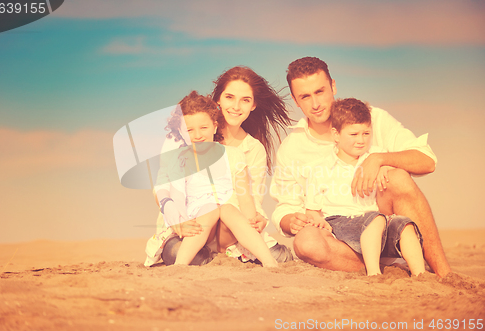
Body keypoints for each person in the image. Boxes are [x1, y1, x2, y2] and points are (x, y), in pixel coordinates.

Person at [270, 56, 451, 277]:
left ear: (333, 86)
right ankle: (388, 268)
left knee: (397, 177)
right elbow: (285, 206)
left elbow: (426, 160)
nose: (315, 104)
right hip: (338, 232)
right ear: (295, 100)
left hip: (381, 218)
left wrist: (378, 160)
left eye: (320, 92)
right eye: (305, 97)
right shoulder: (292, 147)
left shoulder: (370, 118)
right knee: (306, 243)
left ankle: (444, 274)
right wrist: (290, 221)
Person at [145, 66, 294, 266]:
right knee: (181, 252)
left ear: (253, 105)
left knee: (280, 255)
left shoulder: (250, 149)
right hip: (191, 222)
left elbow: (251, 197)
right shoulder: (184, 135)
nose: (236, 106)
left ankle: (243, 256)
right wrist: (174, 214)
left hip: (229, 229)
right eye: (230, 97)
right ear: (218, 100)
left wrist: (259, 219)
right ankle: (201, 256)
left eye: (245, 100)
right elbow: (164, 186)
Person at [305, 98, 425, 276]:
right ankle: (374, 273)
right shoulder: (321, 168)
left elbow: (395, 166)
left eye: (366, 133)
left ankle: (420, 275)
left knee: (404, 224)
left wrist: (385, 166)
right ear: (336, 134)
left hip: (379, 222)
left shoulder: (376, 156)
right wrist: (317, 220)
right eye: (353, 135)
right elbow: (311, 209)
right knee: (375, 220)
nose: (361, 140)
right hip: (341, 223)